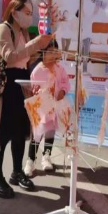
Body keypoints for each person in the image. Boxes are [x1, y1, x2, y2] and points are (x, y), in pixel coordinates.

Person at [0, 0, 54, 198]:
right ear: (14, 12)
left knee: (20, 131)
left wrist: (40, 47)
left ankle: (17, 172)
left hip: (22, 82)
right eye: (26, 12)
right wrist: (35, 43)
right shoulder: (3, 29)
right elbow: (10, 56)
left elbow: (25, 58)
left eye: (31, 13)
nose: (29, 17)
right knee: (2, 134)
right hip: (7, 84)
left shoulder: (23, 32)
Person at [25, 41, 69, 177]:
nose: (53, 54)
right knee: (37, 135)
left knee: (50, 132)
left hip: (54, 107)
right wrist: (36, 92)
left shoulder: (59, 69)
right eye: (50, 51)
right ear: (43, 53)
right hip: (41, 109)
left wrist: (63, 91)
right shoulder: (38, 70)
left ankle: (46, 156)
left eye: (55, 51)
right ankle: (30, 160)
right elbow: (32, 88)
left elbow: (65, 83)